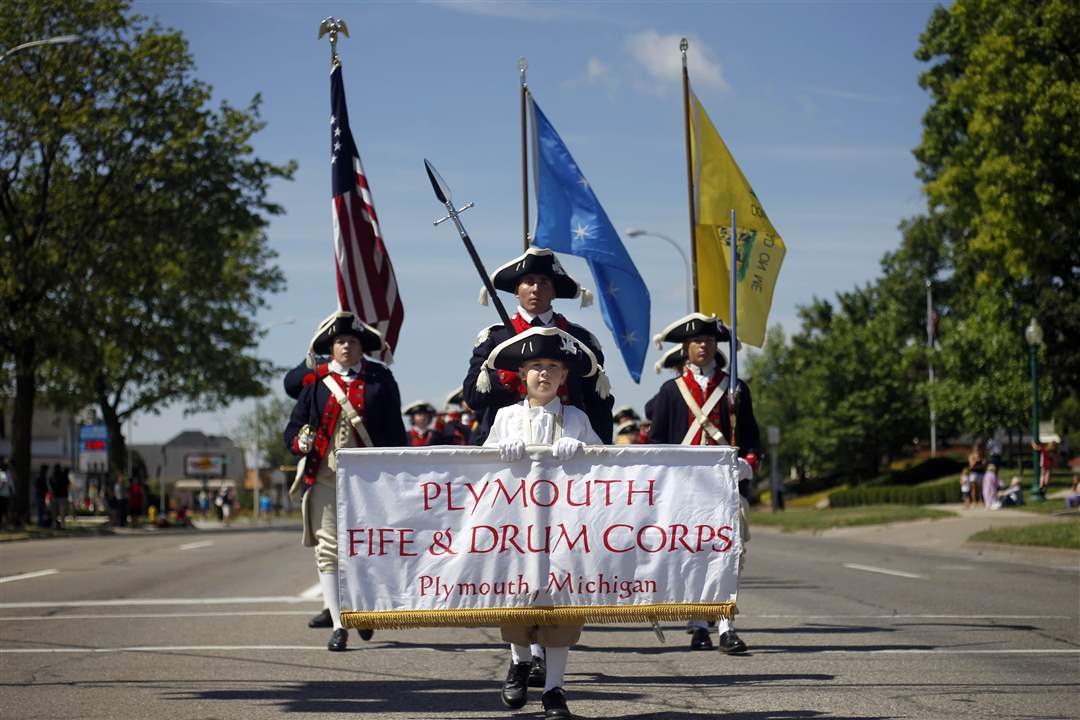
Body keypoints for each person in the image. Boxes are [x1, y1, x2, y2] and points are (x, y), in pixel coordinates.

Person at [480, 326, 603, 720]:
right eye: (535, 366)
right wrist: (499, 452)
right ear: (522, 374)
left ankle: (554, 689)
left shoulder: (577, 418)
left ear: (564, 376)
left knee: (562, 607)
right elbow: (480, 471)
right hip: (517, 529)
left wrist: (584, 451)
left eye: (553, 366)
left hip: (565, 530)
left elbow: (607, 467)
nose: (544, 373)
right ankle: (519, 662)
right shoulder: (506, 417)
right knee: (515, 602)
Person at [284, 310, 407, 651]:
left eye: (352, 341)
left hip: (370, 480)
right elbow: (293, 428)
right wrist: (300, 442)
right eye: (339, 341)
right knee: (328, 549)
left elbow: (395, 431)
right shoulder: (315, 381)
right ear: (331, 348)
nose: (346, 347)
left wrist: (400, 473)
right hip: (325, 476)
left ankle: (363, 608)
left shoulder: (380, 378)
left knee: (367, 547)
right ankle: (339, 624)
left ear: (361, 346)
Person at [646, 312, 759, 654]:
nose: (703, 347)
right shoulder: (670, 391)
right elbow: (657, 443)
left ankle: (726, 625)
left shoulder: (735, 388)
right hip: (685, 490)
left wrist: (746, 464)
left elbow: (751, 439)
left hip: (725, 489)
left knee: (729, 555)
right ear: (686, 347)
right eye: (696, 341)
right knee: (691, 556)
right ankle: (697, 625)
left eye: (709, 341)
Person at [463, 246, 613, 447]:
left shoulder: (580, 338)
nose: (536, 289)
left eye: (544, 282)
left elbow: (598, 404)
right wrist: (509, 373)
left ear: (554, 291)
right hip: (506, 443)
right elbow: (473, 397)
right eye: (529, 281)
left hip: (567, 442)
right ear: (516, 290)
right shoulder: (494, 337)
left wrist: (601, 449)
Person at [49, 464, 71, 529]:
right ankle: (62, 525)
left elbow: (50, 484)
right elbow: (68, 484)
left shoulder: (53, 476)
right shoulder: (63, 475)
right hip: (63, 496)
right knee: (62, 512)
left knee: (54, 512)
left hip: (55, 496)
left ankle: (55, 524)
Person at [0, 457, 11, 530]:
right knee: (4, 511)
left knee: (2, 511)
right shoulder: (6, 472)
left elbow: (3, 482)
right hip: (5, 495)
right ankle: (4, 526)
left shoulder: (2, 472)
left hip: (2, 495)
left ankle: (3, 526)